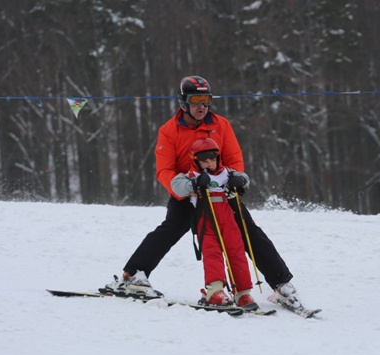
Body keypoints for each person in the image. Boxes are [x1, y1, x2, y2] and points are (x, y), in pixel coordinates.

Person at [106, 75, 304, 311]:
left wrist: (236, 177)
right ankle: (132, 276)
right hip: (189, 192)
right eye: (196, 100)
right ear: (183, 102)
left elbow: (233, 159)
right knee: (172, 228)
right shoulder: (169, 131)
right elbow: (165, 170)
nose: (202, 106)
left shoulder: (221, 125)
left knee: (248, 229)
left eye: (206, 100)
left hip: (220, 191)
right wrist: (184, 186)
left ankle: (281, 284)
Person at [170, 137, 257, 308]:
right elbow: (176, 186)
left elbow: (244, 178)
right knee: (212, 253)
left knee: (236, 251)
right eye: (205, 161)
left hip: (229, 222)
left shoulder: (227, 173)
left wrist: (240, 182)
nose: (210, 164)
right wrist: (194, 184)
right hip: (206, 223)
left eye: (213, 160)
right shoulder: (192, 176)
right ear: (196, 161)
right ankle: (215, 290)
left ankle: (243, 293)